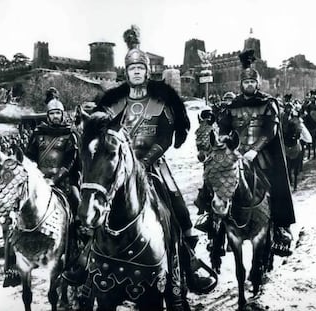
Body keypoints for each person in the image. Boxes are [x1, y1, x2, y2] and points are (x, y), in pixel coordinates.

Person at [64, 25, 217, 296]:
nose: (136, 73)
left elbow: (165, 136)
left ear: (147, 72)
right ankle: (86, 260)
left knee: (175, 205)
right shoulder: (113, 102)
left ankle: (187, 262)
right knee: (96, 203)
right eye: (132, 69)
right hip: (115, 163)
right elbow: (99, 131)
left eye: (141, 69)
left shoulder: (160, 100)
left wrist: (144, 161)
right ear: (126, 72)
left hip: (151, 164)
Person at [195, 49, 296, 257]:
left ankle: (280, 228)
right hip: (235, 153)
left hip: (262, 156)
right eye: (246, 82)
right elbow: (223, 128)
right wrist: (223, 145)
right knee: (214, 174)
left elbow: (270, 130)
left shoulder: (268, 103)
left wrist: (253, 151)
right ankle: (211, 223)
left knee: (276, 184)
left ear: (257, 83)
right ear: (241, 84)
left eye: (252, 82)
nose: (249, 85)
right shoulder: (232, 105)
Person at [2, 93, 82, 287]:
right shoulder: (38, 133)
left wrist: (54, 180)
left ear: (62, 114)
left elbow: (71, 161)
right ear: (48, 114)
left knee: (79, 206)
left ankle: (77, 253)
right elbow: (29, 157)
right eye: (52, 113)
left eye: (58, 113)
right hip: (39, 179)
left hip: (62, 182)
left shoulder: (70, 134)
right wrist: (33, 176)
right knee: (13, 212)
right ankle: (11, 265)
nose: (55, 116)